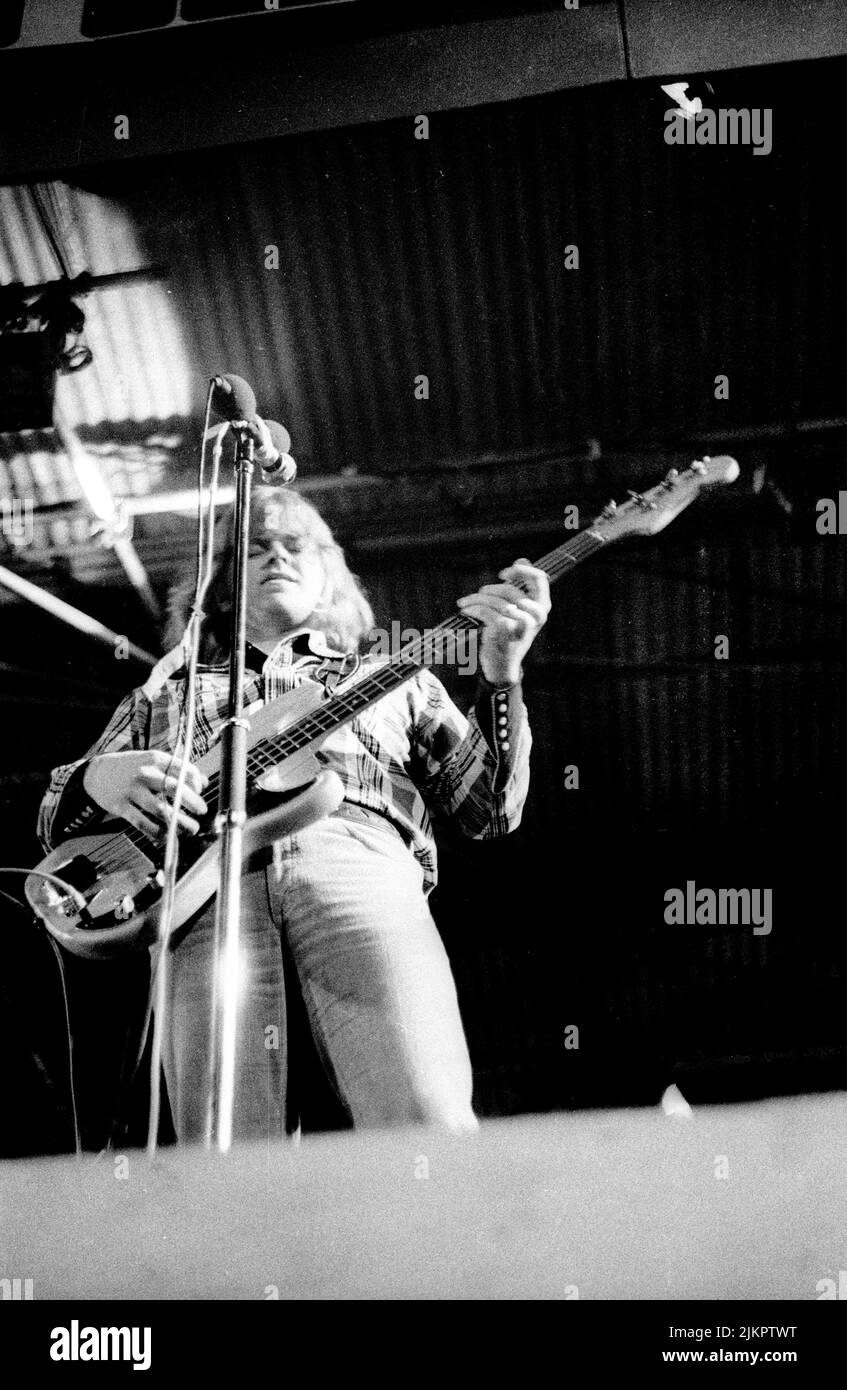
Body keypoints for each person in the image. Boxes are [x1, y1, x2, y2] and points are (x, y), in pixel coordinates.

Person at [37, 486, 550, 1140]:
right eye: (253, 548)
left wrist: (501, 675)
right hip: (203, 893)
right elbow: (59, 825)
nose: (275, 555)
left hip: (358, 862)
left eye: (294, 545)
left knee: (423, 1115)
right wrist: (96, 778)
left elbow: (489, 810)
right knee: (225, 1146)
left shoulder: (392, 676)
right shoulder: (166, 692)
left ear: (327, 577)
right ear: (219, 586)